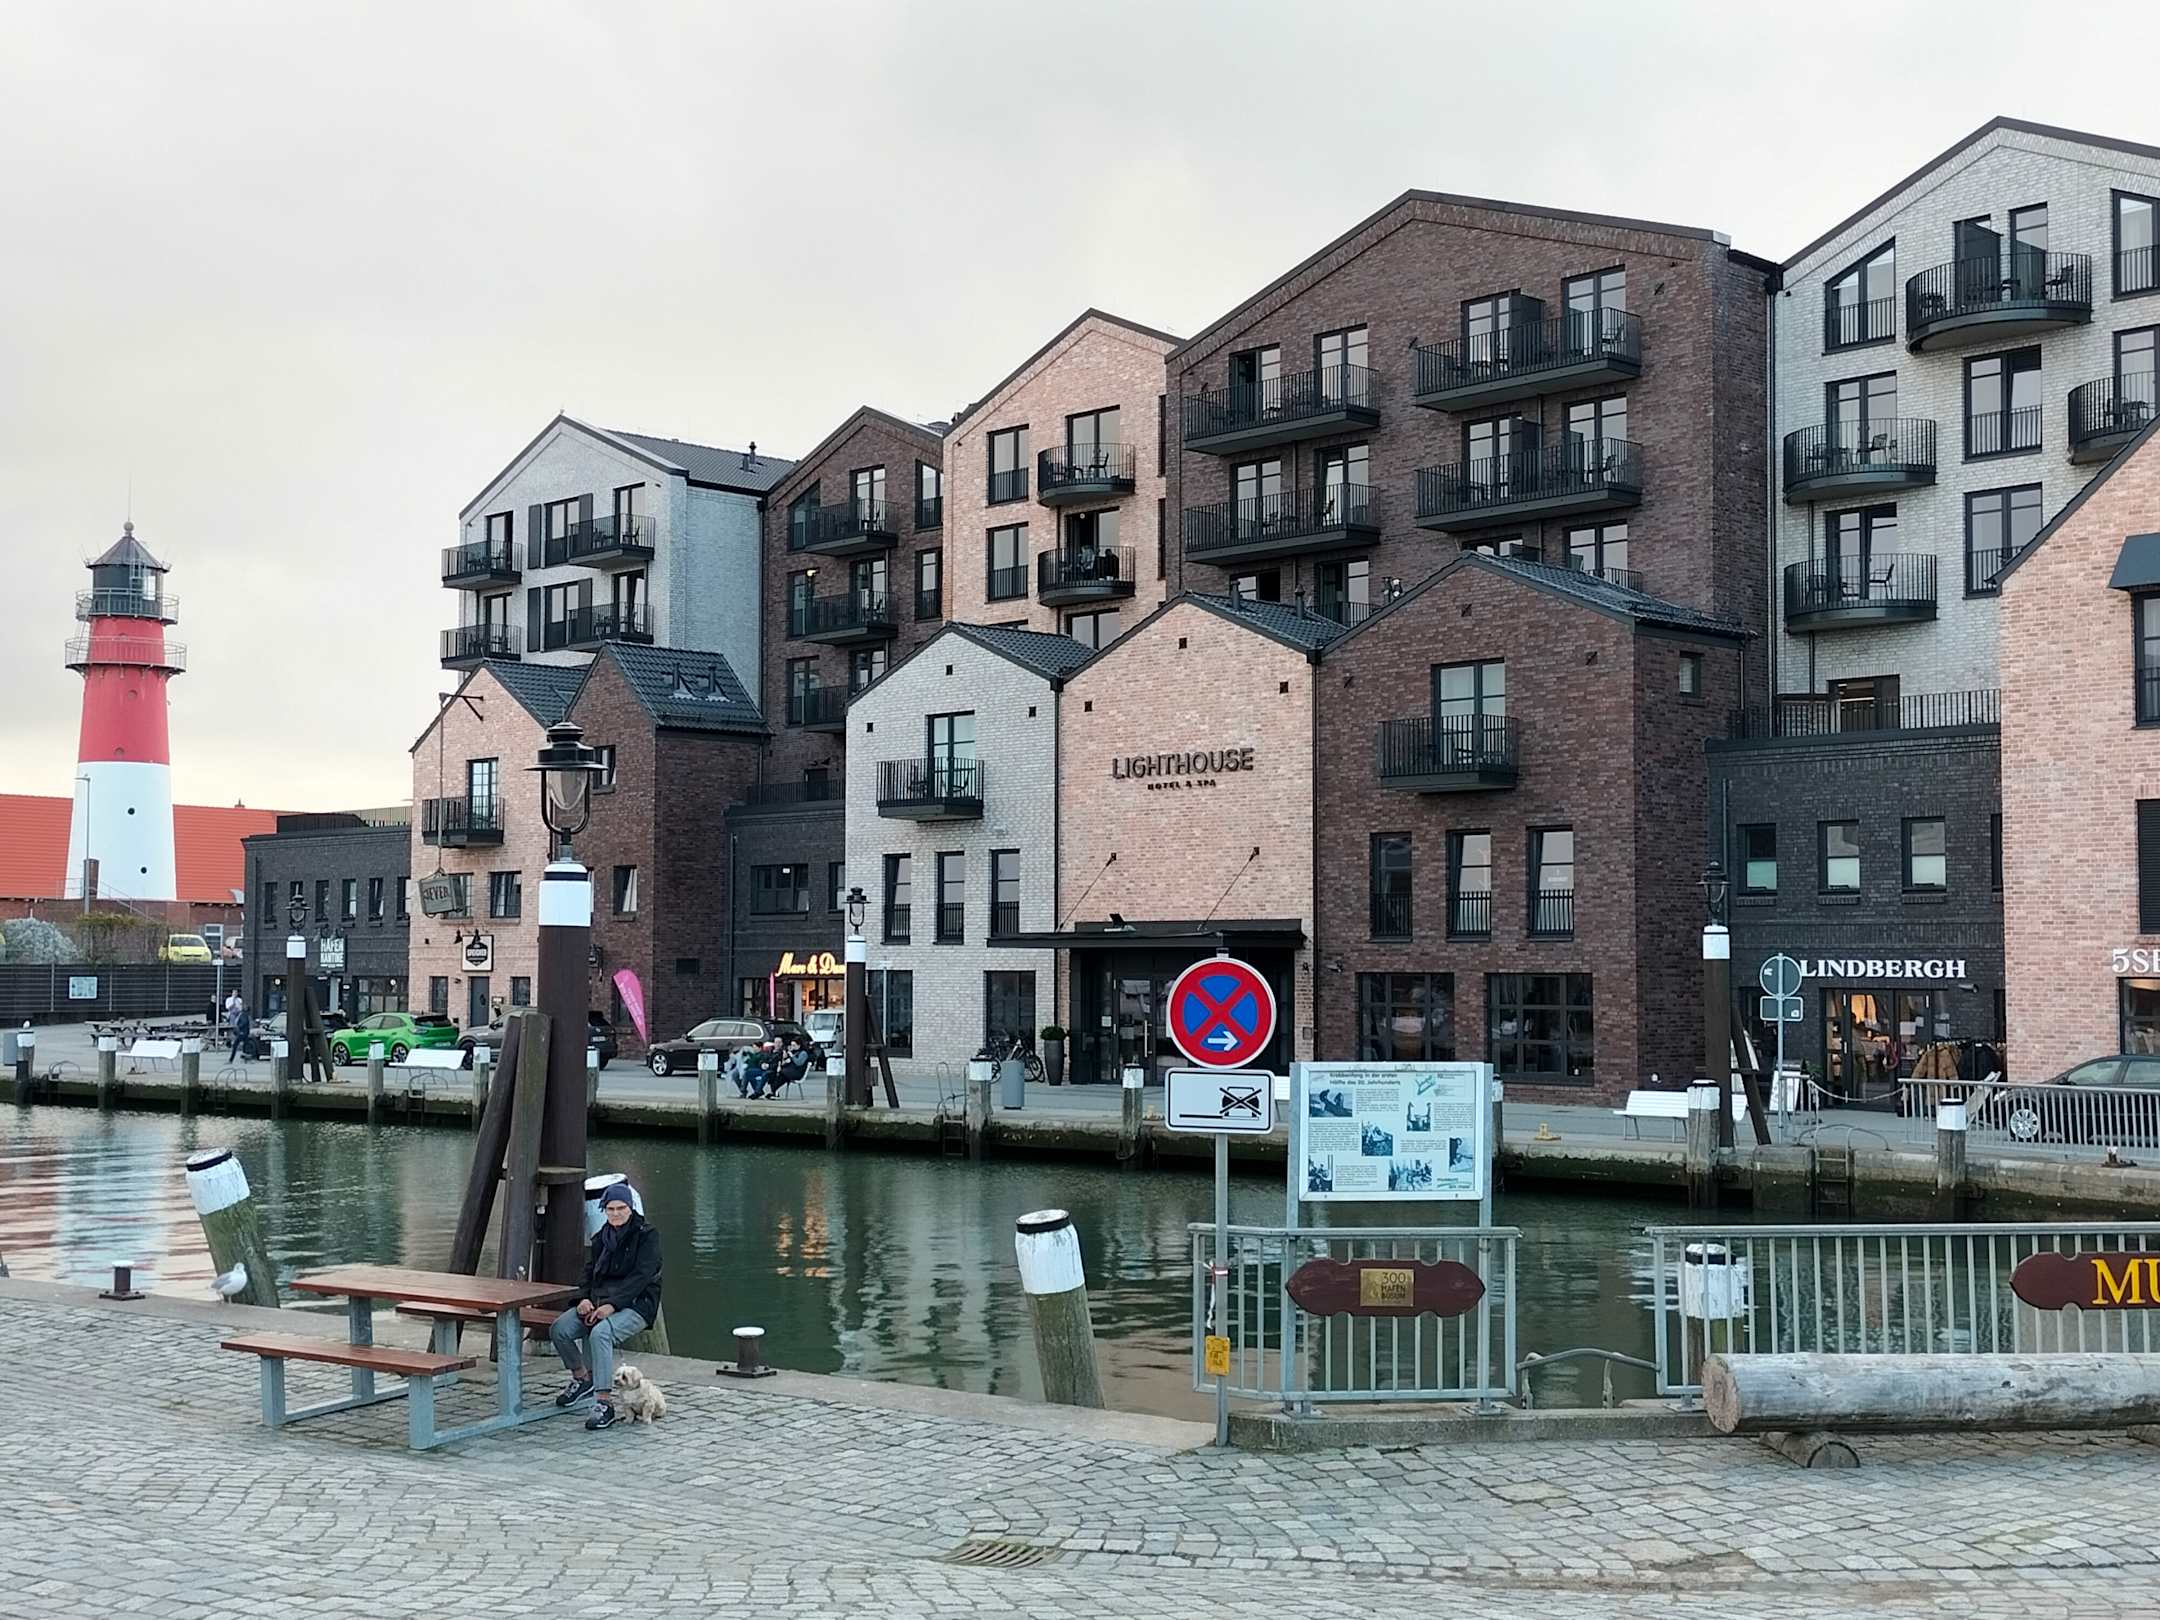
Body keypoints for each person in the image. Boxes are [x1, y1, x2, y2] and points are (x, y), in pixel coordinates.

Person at [549, 1182, 662, 1431]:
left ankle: (604, 1403)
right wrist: (583, 1299)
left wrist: (612, 1305)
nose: (616, 1213)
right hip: (599, 1301)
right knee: (560, 1329)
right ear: (604, 1210)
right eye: (610, 1209)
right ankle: (582, 1378)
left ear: (630, 1208)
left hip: (637, 1304)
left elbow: (641, 1277)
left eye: (621, 1208)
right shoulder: (601, 1237)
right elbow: (588, 1273)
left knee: (601, 1333)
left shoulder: (647, 1236)